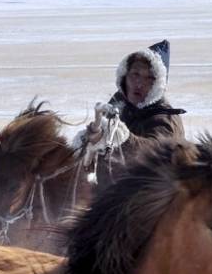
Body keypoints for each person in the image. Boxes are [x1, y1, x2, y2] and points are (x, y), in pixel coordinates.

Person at [75, 39, 187, 181]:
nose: (139, 83)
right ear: (125, 76)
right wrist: (87, 143)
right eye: (135, 74)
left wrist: (115, 138)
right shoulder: (118, 106)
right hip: (108, 193)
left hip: (147, 197)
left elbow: (153, 153)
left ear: (158, 84)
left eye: (149, 78)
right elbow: (98, 153)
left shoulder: (166, 120)